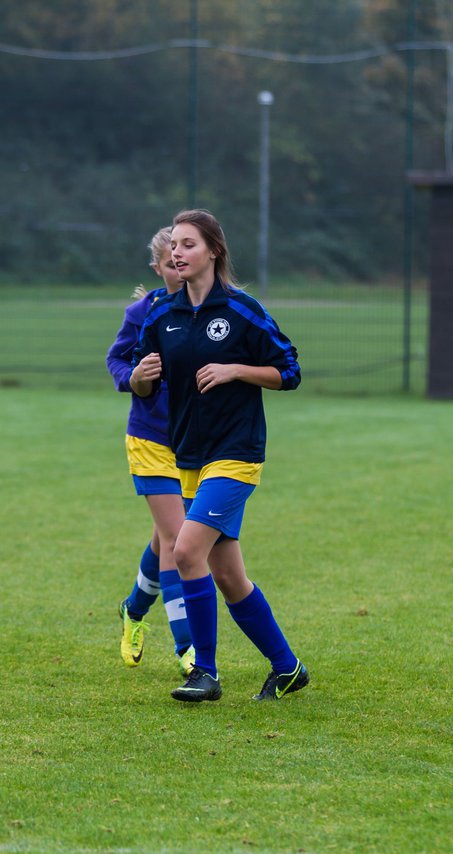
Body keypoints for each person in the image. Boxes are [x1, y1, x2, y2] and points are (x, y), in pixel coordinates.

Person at [130, 208, 307, 703]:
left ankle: (204, 673)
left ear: (214, 251)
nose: (176, 253)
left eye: (188, 244)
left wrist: (236, 370)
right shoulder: (161, 314)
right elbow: (146, 385)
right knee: (228, 576)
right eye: (174, 246)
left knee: (185, 551)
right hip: (189, 454)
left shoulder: (242, 310)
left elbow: (289, 370)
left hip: (236, 452)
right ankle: (288, 668)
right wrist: (141, 380)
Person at [106, 226, 194, 675]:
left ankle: (133, 609)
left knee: (167, 537)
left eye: (185, 254)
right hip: (150, 439)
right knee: (179, 541)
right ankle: (187, 648)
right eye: (169, 260)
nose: (178, 264)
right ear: (158, 268)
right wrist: (135, 379)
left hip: (196, 442)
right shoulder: (144, 311)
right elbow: (117, 360)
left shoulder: (215, 311)